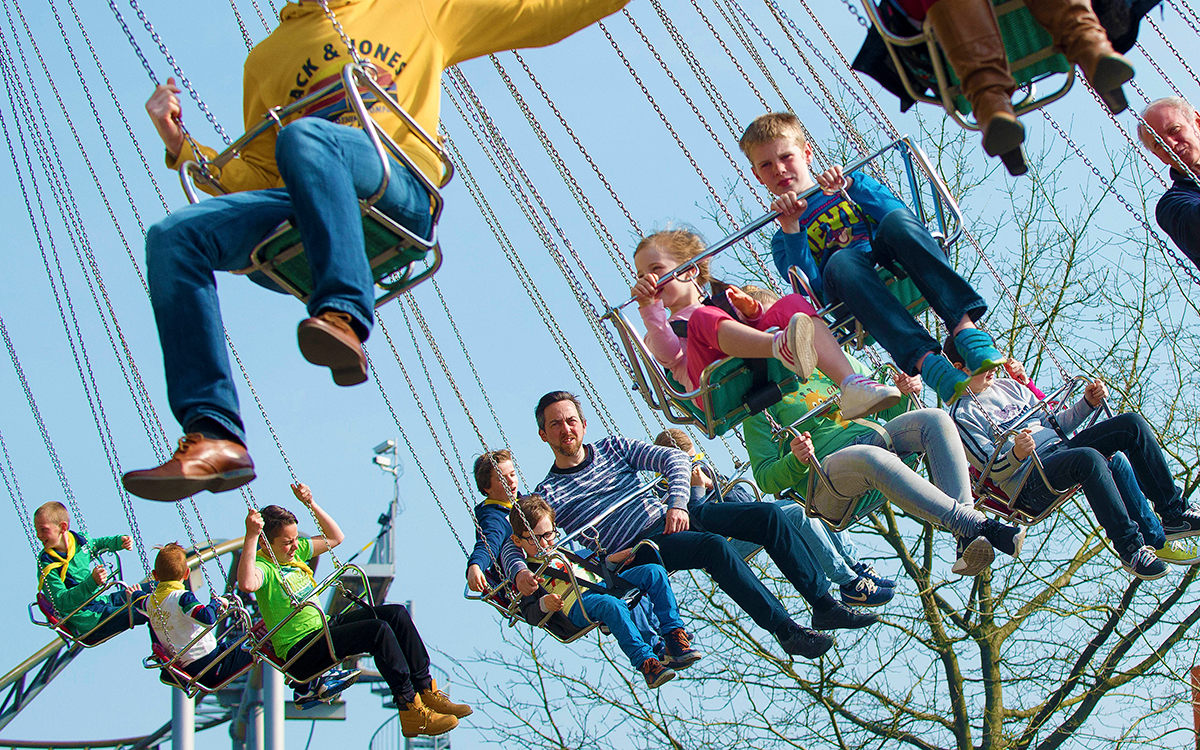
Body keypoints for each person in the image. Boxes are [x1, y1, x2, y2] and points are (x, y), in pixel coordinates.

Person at [123, 0, 635, 503]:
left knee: (305, 137)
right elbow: (257, 174)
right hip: (310, 203)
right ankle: (213, 434)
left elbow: (541, 14)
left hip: (395, 184)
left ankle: (344, 311)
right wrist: (180, 142)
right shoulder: (267, 59)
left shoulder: (415, 10)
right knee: (173, 236)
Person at [502, 391, 883, 663]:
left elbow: (674, 460)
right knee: (713, 547)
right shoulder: (547, 493)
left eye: (570, 420)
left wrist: (676, 503)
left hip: (673, 518)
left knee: (770, 516)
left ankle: (823, 604)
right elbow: (514, 540)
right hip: (638, 549)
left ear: (583, 424)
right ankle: (786, 630)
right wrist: (518, 571)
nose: (565, 429)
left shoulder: (614, 447)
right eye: (555, 425)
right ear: (544, 435)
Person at [740, 111, 1007, 407]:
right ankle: (928, 363)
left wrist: (851, 186)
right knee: (842, 260)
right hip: (850, 288)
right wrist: (792, 229)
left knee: (896, 223)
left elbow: (897, 214)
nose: (778, 169)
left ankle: (966, 330)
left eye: (786, 157)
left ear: (806, 153)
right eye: (766, 164)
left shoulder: (848, 187)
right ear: (757, 174)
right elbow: (811, 296)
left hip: (891, 260)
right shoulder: (782, 238)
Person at [744, 353, 1027, 577]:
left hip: (873, 441)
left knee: (936, 419)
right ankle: (979, 525)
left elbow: (888, 406)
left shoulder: (830, 362)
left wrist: (903, 391)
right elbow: (766, 478)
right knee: (869, 456)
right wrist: (796, 460)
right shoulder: (761, 404)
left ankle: (966, 538)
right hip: (827, 484)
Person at [942, 337, 1200, 579]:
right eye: (983, 363)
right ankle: (1131, 549)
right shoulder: (961, 415)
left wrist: (1086, 403)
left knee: (1130, 425)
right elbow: (991, 469)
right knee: (1088, 459)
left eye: (993, 360)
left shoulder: (1009, 386)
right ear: (959, 368)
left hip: (1062, 452)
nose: (993, 368)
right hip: (1030, 480)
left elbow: (1053, 424)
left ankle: (1173, 511)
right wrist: (1017, 453)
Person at [237, 483, 470, 738]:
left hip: (324, 627)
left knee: (395, 615)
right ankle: (410, 709)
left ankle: (426, 690)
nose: (294, 546)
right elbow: (247, 583)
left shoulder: (295, 554)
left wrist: (310, 504)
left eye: (294, 540)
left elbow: (336, 537)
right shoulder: (264, 566)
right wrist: (250, 536)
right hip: (302, 649)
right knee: (377, 631)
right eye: (286, 542)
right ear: (266, 543)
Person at [631, 229, 901, 420]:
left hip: (756, 364)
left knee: (792, 303)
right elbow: (669, 354)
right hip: (712, 389)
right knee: (702, 319)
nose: (649, 280)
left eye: (656, 270)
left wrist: (751, 312)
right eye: (641, 275)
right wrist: (648, 307)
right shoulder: (659, 329)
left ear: (689, 270)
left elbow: (756, 326)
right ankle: (781, 346)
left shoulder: (722, 301)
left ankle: (851, 384)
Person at [653, 428, 895, 606]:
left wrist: (709, 485)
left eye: (697, 458)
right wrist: (696, 490)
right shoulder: (665, 494)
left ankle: (854, 565)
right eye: (688, 463)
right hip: (723, 544)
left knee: (809, 504)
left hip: (750, 524)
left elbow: (744, 502)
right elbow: (694, 526)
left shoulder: (706, 474)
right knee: (798, 515)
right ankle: (848, 582)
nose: (696, 466)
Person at [508, 494, 700, 688]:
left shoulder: (565, 552)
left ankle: (674, 636)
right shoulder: (528, 574)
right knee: (611, 605)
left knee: (654, 572)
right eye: (534, 539)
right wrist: (544, 603)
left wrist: (612, 560)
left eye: (548, 535)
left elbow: (593, 568)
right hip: (578, 604)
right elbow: (530, 613)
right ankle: (647, 663)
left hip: (603, 585)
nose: (544, 543)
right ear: (518, 541)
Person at [142, 542, 256, 690]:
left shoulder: (148, 602)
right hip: (210, 666)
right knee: (260, 641)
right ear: (186, 573)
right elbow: (207, 618)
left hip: (192, 667)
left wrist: (134, 593)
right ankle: (296, 683)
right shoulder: (182, 598)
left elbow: (137, 601)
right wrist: (216, 603)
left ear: (155, 575)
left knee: (238, 643)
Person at [34, 501, 149, 643]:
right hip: (87, 621)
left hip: (100, 602)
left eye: (43, 530)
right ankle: (165, 649)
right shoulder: (47, 564)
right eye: (37, 530)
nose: (38, 535)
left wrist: (119, 541)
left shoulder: (80, 542)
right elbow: (61, 602)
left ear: (62, 527)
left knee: (156, 588)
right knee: (147, 607)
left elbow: (97, 544)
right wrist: (91, 583)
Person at [1138, 97, 1200, 268]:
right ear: (1158, 156)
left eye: (1174, 130)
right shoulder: (1172, 205)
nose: (1170, 144)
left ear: (1197, 122)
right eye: (1158, 144)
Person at [465, 450, 520, 594]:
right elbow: (489, 542)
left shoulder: (525, 503)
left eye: (513, 474)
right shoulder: (495, 518)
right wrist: (476, 565)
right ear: (487, 487)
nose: (511, 481)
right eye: (502, 478)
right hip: (519, 582)